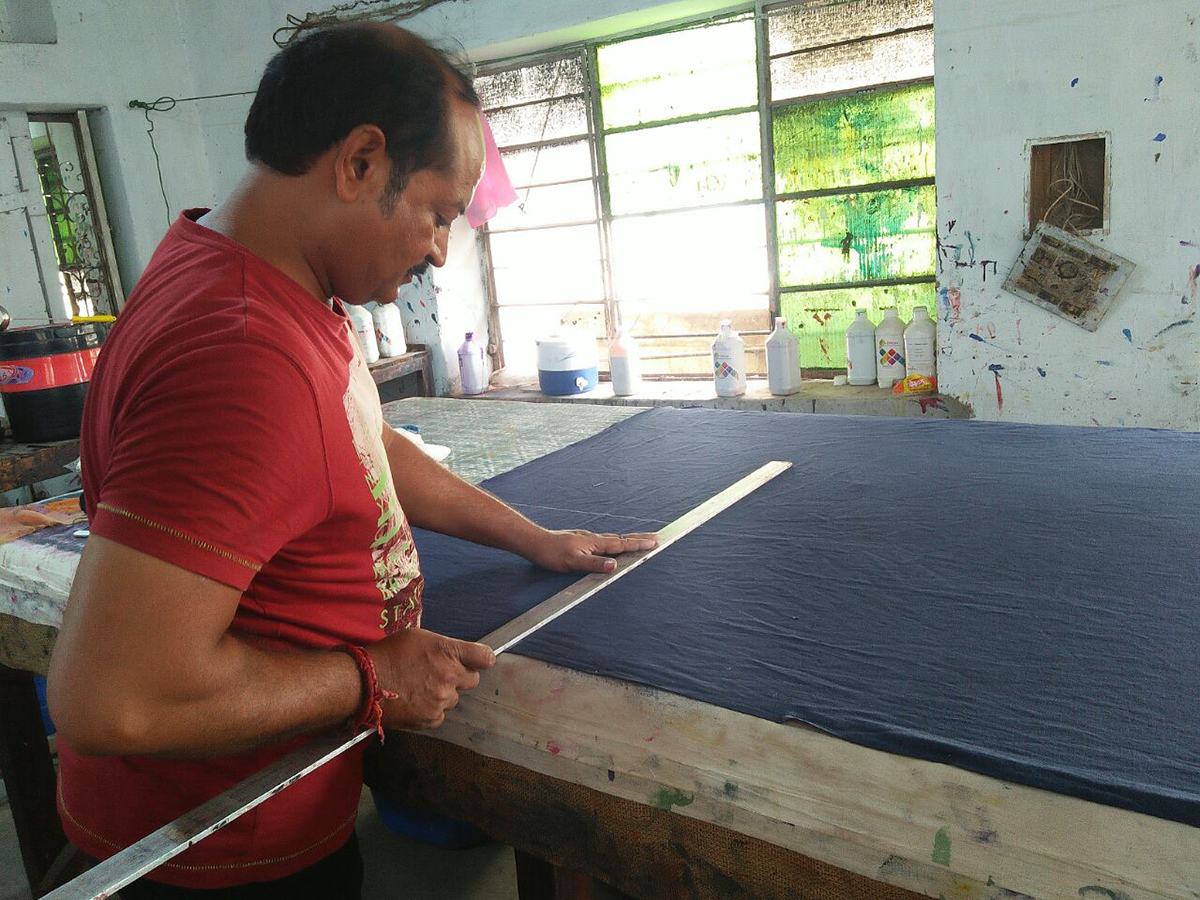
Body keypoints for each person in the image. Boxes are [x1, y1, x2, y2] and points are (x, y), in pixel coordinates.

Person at [46, 23, 655, 899]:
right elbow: (112, 699)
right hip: (210, 847)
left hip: (245, 809)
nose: (442, 249)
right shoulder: (245, 354)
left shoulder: (254, 277)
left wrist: (535, 539)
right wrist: (374, 675)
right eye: (440, 213)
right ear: (361, 161)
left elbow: (370, 447)